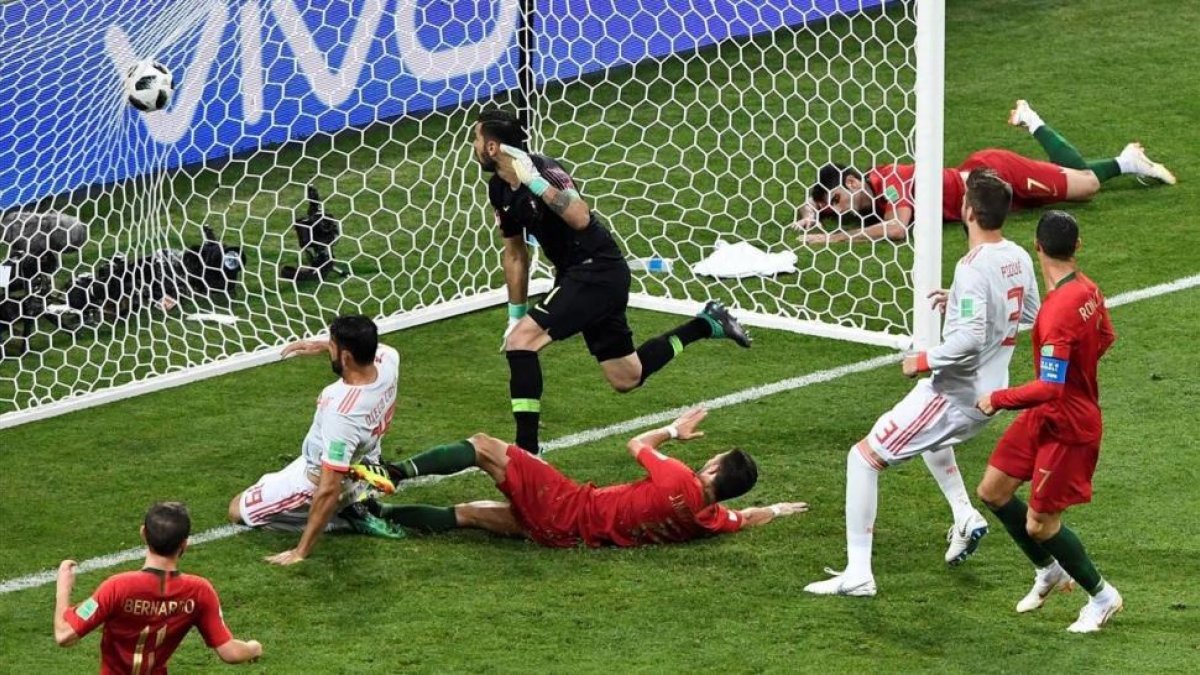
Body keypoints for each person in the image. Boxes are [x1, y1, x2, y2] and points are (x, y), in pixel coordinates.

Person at [804, 169, 1040, 597]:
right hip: (990, 391)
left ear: (968, 211)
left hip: (953, 392)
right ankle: (965, 515)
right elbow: (1027, 313)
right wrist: (967, 301)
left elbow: (968, 339)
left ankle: (858, 574)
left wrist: (924, 360)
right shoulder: (1019, 256)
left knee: (864, 458)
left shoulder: (972, 266)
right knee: (933, 440)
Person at [473, 108, 751, 455]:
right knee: (626, 376)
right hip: (577, 275)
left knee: (521, 344)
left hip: (597, 269)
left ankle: (527, 452)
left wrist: (536, 184)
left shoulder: (544, 170)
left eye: (477, 139)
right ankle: (708, 324)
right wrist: (515, 315)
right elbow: (515, 254)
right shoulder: (499, 188)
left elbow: (579, 217)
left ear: (494, 147)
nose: (474, 146)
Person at [975, 210, 1121, 633]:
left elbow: (1051, 388)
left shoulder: (1057, 313)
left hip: (1069, 426)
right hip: (1047, 415)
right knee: (993, 490)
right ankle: (1049, 569)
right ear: (1077, 247)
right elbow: (1106, 338)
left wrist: (997, 399)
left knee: (1040, 524)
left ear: (1037, 246)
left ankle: (1102, 596)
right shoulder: (1089, 289)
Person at [372, 407, 808, 547]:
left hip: (567, 506)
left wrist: (675, 430)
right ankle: (375, 513)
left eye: (712, 458)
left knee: (485, 446)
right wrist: (776, 509)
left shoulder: (677, 476)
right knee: (468, 514)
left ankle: (395, 472)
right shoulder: (710, 520)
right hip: (566, 536)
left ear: (713, 468)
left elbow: (637, 445)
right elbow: (745, 518)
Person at [793, 100, 1176, 244]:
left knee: (1087, 186)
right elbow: (812, 203)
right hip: (985, 195)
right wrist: (810, 214)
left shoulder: (889, 181)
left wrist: (836, 239)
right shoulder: (849, 200)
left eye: (838, 200)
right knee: (1075, 181)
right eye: (833, 207)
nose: (837, 210)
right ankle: (1126, 159)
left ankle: (1031, 118)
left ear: (854, 181)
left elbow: (897, 227)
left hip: (996, 173)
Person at [228, 315, 405, 565]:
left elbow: (329, 485)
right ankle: (351, 502)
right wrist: (321, 346)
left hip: (321, 479)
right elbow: (371, 351)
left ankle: (342, 517)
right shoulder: (389, 360)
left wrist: (300, 552)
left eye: (332, 344)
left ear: (345, 356)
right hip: (366, 460)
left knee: (237, 510)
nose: (328, 347)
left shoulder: (342, 409)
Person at [53, 502, 262, 672]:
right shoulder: (199, 592)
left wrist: (63, 588)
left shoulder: (117, 588)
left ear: (143, 534)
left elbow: (64, 635)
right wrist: (253, 648)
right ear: (184, 544)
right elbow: (230, 653)